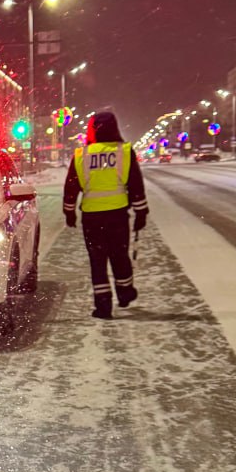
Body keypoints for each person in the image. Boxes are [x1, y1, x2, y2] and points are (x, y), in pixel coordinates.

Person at [63, 110, 148, 318]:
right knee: (120, 256)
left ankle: (103, 306)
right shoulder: (125, 152)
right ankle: (125, 292)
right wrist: (140, 212)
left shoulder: (81, 155)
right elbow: (135, 184)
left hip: (92, 218)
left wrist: (69, 211)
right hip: (118, 215)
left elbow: (71, 187)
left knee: (97, 260)